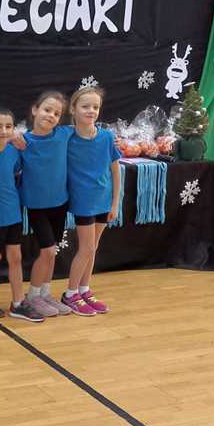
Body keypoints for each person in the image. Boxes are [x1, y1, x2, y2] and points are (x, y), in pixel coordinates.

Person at [0, 108, 42, 323]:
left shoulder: (14, 152)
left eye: (8, 126)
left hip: (13, 214)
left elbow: (15, 174)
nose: (3, 131)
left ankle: (18, 303)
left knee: (16, 258)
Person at [62, 85, 121, 315]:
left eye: (95, 107)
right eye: (85, 106)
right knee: (86, 248)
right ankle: (70, 294)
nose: (91, 111)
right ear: (73, 109)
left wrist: (115, 203)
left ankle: (84, 289)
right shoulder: (66, 137)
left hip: (103, 200)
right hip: (83, 201)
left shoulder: (107, 137)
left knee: (93, 248)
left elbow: (115, 171)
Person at [19, 91, 74, 319]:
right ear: (35, 110)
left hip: (60, 202)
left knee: (52, 252)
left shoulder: (64, 134)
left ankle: (45, 293)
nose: (51, 115)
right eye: (47, 110)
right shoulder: (23, 141)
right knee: (47, 250)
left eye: (56, 113)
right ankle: (33, 296)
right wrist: (12, 136)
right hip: (37, 205)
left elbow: (88, 130)